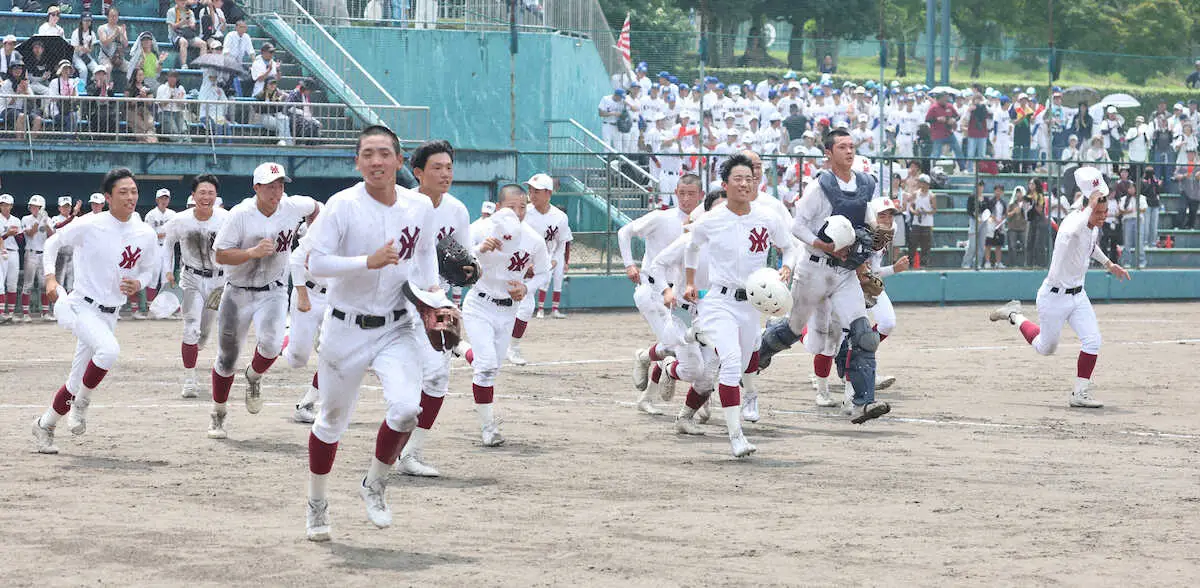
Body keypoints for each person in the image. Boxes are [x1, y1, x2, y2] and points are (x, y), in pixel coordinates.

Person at [302, 125, 443, 542]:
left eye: (384, 153)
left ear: (400, 162)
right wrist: (368, 261)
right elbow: (315, 263)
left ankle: (375, 484)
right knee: (330, 421)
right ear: (358, 162)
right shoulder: (342, 205)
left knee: (405, 410)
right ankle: (317, 503)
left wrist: (436, 298)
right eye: (367, 154)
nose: (376, 161)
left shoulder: (419, 206)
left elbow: (425, 255)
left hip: (397, 325)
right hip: (345, 328)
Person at [757, 129, 889, 424]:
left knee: (863, 334)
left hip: (845, 271)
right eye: (842, 147)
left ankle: (862, 403)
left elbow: (867, 219)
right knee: (793, 330)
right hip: (814, 267)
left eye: (852, 146)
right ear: (828, 153)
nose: (849, 151)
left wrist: (875, 236)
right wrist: (823, 244)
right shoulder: (820, 187)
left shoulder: (866, 184)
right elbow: (798, 227)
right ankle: (758, 355)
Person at [30, 168, 158, 454]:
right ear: (108, 197)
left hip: (110, 313)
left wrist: (139, 282)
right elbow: (53, 243)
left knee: (76, 380)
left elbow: (151, 268)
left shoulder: (144, 232)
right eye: (123, 192)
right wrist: (50, 277)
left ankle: (45, 424)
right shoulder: (90, 224)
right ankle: (81, 406)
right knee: (109, 351)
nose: (130, 197)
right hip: (79, 305)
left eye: (134, 191)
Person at [678, 153, 798, 457]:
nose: (745, 184)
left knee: (747, 362)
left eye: (750, 178)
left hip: (751, 305)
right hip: (719, 300)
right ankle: (736, 437)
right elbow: (691, 248)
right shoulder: (711, 220)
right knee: (730, 363)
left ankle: (701, 335)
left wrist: (787, 267)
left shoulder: (767, 217)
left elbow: (789, 247)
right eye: (738, 179)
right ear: (725, 184)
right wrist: (691, 282)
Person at [989, 166, 1131, 409]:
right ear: (1088, 205)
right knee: (1045, 348)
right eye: (1100, 211)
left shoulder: (1090, 223)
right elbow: (1071, 233)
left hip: (1078, 295)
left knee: (1093, 340)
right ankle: (1014, 315)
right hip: (1053, 297)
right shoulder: (1073, 220)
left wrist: (1109, 264)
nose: (1103, 216)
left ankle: (1080, 393)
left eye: (1106, 211)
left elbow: (1090, 245)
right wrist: (1089, 208)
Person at [207, 162, 319, 439]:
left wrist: (312, 234)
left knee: (270, 347)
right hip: (238, 290)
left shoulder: (293, 206)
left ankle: (254, 377)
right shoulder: (241, 214)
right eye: (270, 185)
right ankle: (218, 413)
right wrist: (252, 252)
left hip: (274, 289)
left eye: (280, 184)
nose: (277, 191)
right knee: (226, 359)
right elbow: (220, 255)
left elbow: (317, 207)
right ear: (256, 187)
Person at [453, 184, 551, 454]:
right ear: (498, 208)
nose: (518, 212)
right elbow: (456, 262)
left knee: (492, 367)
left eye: (523, 207)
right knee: (485, 367)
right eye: (511, 207)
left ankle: (459, 348)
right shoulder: (480, 230)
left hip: (508, 310)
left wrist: (527, 288)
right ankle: (488, 428)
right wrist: (479, 250)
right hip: (479, 305)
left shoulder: (533, 239)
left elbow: (544, 272)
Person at [401, 139, 472, 471]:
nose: (445, 174)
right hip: (397, 302)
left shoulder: (456, 210)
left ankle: (410, 453)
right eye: (437, 168)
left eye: (449, 167)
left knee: (436, 379)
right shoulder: (401, 206)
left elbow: (463, 261)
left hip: (433, 304)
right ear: (418, 173)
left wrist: (471, 270)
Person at [619, 174, 703, 415]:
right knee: (675, 344)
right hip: (652, 292)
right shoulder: (660, 218)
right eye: (682, 193)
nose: (686, 198)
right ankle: (645, 358)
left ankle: (647, 392)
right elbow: (624, 232)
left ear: (701, 195)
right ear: (675, 193)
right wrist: (629, 264)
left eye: (691, 194)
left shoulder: (703, 226)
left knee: (687, 345)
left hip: (681, 296)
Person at [161, 175, 228, 398]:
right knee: (191, 327)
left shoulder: (226, 219)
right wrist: (168, 271)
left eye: (210, 193)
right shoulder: (180, 220)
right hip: (190, 279)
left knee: (204, 334)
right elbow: (168, 245)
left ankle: (196, 346)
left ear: (216, 196)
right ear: (193, 195)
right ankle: (189, 380)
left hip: (219, 281)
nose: (206, 197)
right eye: (202, 192)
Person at [283, 216, 326, 424]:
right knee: (298, 359)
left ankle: (306, 404)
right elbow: (296, 259)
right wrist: (301, 294)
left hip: (335, 297)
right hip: (308, 293)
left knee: (334, 353)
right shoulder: (318, 229)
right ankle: (285, 343)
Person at [524, 173, 573, 319]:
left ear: (549, 193)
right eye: (530, 190)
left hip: (545, 263)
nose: (532, 195)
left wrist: (553, 261)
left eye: (536, 191)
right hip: (523, 264)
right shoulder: (524, 212)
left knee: (527, 304)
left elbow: (561, 243)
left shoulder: (560, 217)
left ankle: (549, 309)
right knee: (521, 305)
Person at [20, 195, 54, 321]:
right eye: (32, 206)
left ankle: (45, 312)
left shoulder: (47, 219)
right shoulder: (26, 218)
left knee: (44, 284)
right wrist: (38, 220)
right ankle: (25, 314)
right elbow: (30, 233)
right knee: (28, 284)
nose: (34, 209)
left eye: (37, 207)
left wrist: (45, 223)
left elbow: (52, 236)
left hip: (43, 254)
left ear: (42, 207)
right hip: (31, 253)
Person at [926, 90, 965, 172]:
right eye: (944, 99)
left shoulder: (949, 106)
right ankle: (934, 169)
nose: (946, 101)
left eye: (946, 99)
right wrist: (937, 119)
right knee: (936, 153)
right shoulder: (934, 108)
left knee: (958, 150)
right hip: (937, 134)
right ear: (939, 99)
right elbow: (927, 119)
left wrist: (954, 120)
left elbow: (957, 116)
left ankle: (962, 168)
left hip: (949, 132)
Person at [167, 0, 207, 67]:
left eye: (184, 0)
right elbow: (173, 27)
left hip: (189, 35)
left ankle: (203, 66)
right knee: (184, 42)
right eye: (181, 0)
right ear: (176, 1)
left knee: (203, 44)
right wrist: (182, 22)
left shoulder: (190, 12)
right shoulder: (171, 11)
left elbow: (193, 27)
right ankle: (184, 65)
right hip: (176, 35)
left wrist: (191, 25)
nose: (183, 2)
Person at [254, 78, 292, 146]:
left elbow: (279, 110)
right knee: (283, 123)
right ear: (266, 85)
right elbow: (258, 110)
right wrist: (271, 103)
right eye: (271, 84)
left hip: (276, 117)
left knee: (285, 119)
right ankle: (287, 143)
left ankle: (283, 141)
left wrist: (277, 102)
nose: (273, 85)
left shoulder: (277, 94)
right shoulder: (261, 95)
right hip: (264, 117)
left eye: (274, 84)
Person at [0, 194, 20, 321]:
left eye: (7, 205)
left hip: (13, 252)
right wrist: (8, 234)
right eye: (2, 205)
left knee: (12, 283)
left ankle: (11, 314)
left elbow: (22, 240)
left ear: (11, 206)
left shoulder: (16, 220)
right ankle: (1, 313)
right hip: (1, 251)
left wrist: (16, 235)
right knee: (0, 284)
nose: (5, 207)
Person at [908, 173, 935, 267]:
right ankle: (910, 263)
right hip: (916, 223)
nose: (921, 184)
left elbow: (934, 210)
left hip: (927, 224)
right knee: (912, 243)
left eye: (922, 182)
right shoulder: (916, 193)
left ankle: (924, 264)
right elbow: (911, 205)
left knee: (925, 246)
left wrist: (925, 212)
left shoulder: (932, 196)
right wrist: (914, 212)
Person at [86, 65, 119, 139]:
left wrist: (110, 91)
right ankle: (98, 138)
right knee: (99, 117)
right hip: (95, 110)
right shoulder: (91, 87)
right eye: (98, 74)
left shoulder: (108, 87)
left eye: (103, 74)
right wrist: (98, 88)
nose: (101, 76)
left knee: (112, 118)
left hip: (108, 110)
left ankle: (110, 139)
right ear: (95, 75)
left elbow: (112, 102)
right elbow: (91, 100)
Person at [45, 60, 78, 133]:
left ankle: (69, 138)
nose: (66, 70)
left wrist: (74, 89)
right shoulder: (54, 82)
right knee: (71, 117)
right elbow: (53, 98)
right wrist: (64, 97)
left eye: (68, 68)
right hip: (57, 111)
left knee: (73, 115)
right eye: (64, 68)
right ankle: (69, 139)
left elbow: (75, 99)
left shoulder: (73, 81)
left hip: (70, 109)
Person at [156, 69, 188, 140]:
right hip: (165, 113)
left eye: (175, 77)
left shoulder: (180, 88)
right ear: (167, 77)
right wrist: (170, 97)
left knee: (184, 132)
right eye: (171, 76)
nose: (172, 79)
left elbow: (183, 107)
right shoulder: (162, 88)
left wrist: (179, 101)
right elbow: (161, 105)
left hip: (178, 113)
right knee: (174, 132)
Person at [126, 67, 157, 142]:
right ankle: (148, 140)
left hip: (144, 110)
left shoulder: (147, 88)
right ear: (135, 76)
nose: (141, 77)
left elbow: (150, 103)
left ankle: (152, 140)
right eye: (139, 75)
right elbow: (128, 103)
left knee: (150, 123)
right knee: (140, 125)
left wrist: (144, 97)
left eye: (142, 75)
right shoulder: (129, 88)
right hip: (132, 111)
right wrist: (139, 96)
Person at [96, 7, 129, 76]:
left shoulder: (121, 29)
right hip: (105, 57)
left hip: (118, 57)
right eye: (112, 16)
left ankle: (130, 86)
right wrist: (115, 34)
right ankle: (106, 86)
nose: (114, 18)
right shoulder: (102, 28)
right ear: (107, 17)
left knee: (132, 68)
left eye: (116, 16)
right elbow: (104, 42)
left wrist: (122, 34)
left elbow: (125, 45)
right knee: (108, 68)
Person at [961, 180, 985, 269]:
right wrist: (976, 216)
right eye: (978, 186)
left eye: (981, 186)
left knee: (981, 245)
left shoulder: (985, 198)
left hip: (983, 221)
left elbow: (988, 210)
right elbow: (969, 210)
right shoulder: (971, 197)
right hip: (973, 220)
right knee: (972, 245)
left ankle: (978, 263)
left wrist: (985, 217)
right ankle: (966, 263)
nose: (980, 187)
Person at [982, 184, 1006, 269]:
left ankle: (998, 262)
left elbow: (1004, 213)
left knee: (998, 245)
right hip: (991, 226)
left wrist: (1001, 221)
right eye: (997, 190)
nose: (998, 192)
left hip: (1000, 226)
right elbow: (988, 212)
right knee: (988, 245)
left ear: (1002, 192)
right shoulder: (990, 201)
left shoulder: (1003, 203)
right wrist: (995, 219)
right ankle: (987, 262)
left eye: (1000, 191)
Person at [1005, 186, 1029, 267]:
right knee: (1012, 246)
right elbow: (1007, 216)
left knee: (1025, 246)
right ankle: (1013, 264)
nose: (1019, 194)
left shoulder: (1026, 203)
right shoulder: (1011, 203)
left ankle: (1026, 263)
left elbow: (1028, 216)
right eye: (1017, 192)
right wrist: (1013, 212)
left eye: (1020, 192)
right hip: (1012, 228)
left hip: (1023, 228)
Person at [69, 14, 96, 86]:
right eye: (85, 20)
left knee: (96, 69)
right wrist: (81, 48)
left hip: (85, 55)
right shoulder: (76, 32)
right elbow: (73, 47)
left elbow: (91, 48)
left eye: (89, 20)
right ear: (81, 21)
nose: (87, 22)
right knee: (83, 69)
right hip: (76, 55)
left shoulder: (92, 33)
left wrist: (88, 50)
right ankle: (82, 90)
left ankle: (94, 87)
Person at [1176, 150, 1200, 229]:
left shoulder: (1198, 166)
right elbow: (1176, 176)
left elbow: (1198, 177)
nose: (1190, 155)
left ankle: (1190, 226)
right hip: (1185, 191)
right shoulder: (1183, 166)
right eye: (1189, 153)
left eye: (1192, 153)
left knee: (1193, 210)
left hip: (1196, 192)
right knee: (1182, 208)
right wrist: (1184, 175)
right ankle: (1179, 226)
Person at [1141, 168, 1162, 248]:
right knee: (1146, 225)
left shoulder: (1155, 182)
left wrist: (1156, 184)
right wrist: (1149, 184)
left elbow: (1159, 191)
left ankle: (1153, 243)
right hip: (1146, 205)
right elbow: (1143, 192)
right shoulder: (1142, 182)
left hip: (1155, 205)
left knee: (1154, 225)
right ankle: (1145, 243)